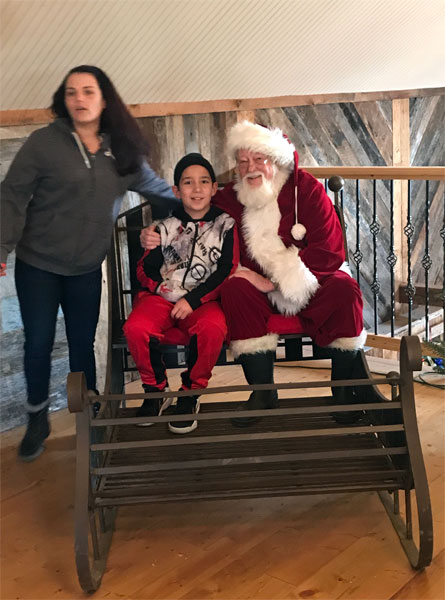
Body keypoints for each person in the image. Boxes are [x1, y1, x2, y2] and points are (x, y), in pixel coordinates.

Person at [0, 65, 179, 461]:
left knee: (83, 344)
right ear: (63, 100)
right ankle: (37, 420)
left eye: (87, 92)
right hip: (39, 267)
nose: (79, 99)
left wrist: (195, 212)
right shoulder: (44, 144)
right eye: (71, 92)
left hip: (84, 269)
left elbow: (160, 192)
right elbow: (11, 195)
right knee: (38, 345)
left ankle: (89, 414)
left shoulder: (122, 151)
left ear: (103, 99)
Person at [141, 121, 366, 427]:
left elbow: (329, 251)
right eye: (243, 161)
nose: (251, 168)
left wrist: (273, 281)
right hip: (258, 293)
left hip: (312, 283)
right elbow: (193, 207)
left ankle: (343, 391)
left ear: (276, 159)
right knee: (235, 288)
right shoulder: (232, 198)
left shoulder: (306, 190)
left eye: (259, 159)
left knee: (345, 290)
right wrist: (153, 232)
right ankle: (262, 393)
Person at [123, 153, 238, 433]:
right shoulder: (164, 228)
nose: (196, 189)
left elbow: (226, 270)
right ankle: (156, 390)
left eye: (203, 182)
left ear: (214, 189)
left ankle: (189, 394)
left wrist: (192, 299)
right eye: (188, 183)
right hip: (161, 298)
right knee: (136, 328)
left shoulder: (226, 225)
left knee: (212, 329)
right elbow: (145, 268)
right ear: (177, 191)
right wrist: (158, 288)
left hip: (203, 299)